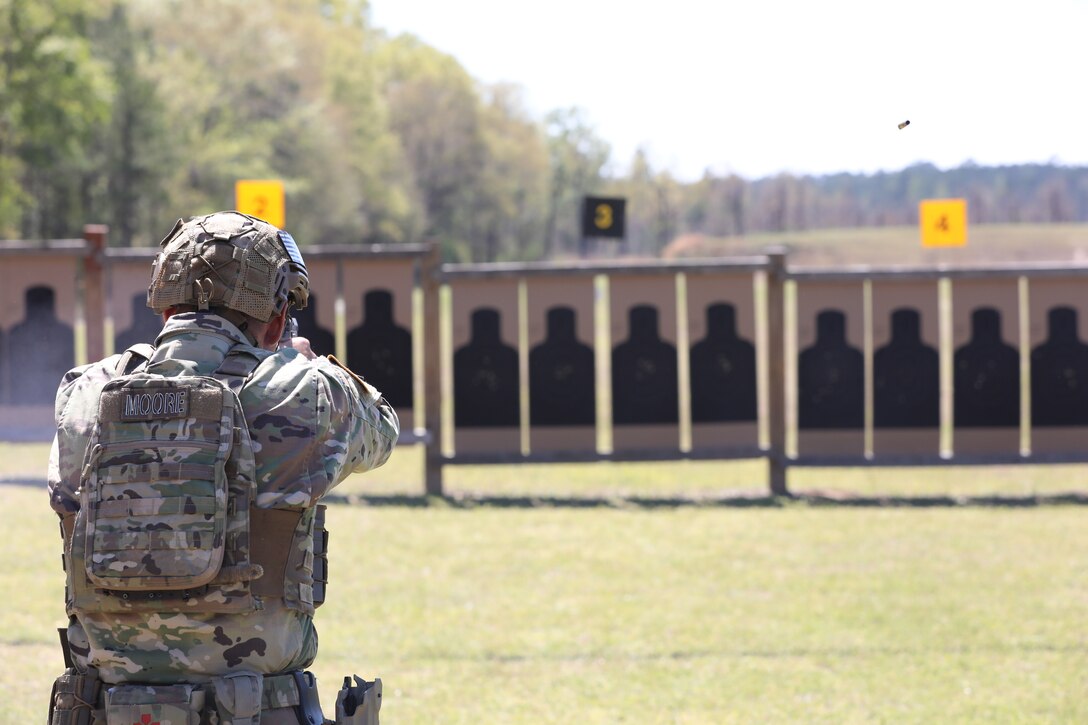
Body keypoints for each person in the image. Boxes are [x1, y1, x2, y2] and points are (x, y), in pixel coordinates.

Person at [47, 211, 398, 724]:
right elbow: (382, 429)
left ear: (165, 307)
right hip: (252, 709)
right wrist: (305, 362)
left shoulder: (85, 393)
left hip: (102, 708)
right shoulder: (305, 393)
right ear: (276, 319)